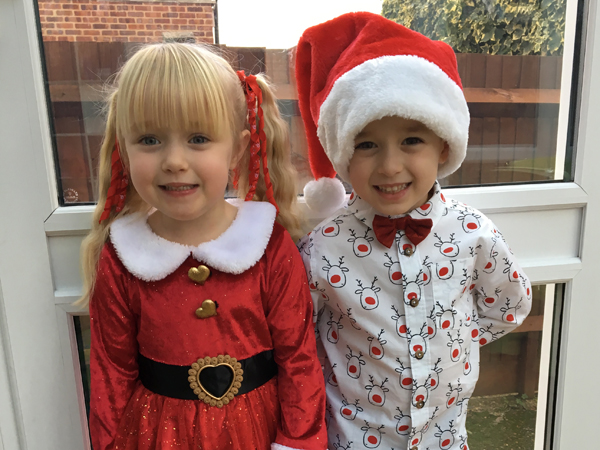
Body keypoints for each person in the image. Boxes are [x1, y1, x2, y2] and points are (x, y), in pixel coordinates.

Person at [295, 12, 532, 450]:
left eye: (411, 141)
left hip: (445, 437)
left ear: (444, 145)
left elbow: (508, 305)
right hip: (353, 440)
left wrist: (451, 340)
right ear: (343, 154)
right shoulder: (323, 248)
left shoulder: (473, 233)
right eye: (366, 144)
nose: (389, 166)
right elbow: (298, 338)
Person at [79, 42, 327, 450]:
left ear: (239, 147)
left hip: (259, 434)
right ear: (124, 147)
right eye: (149, 139)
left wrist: (298, 442)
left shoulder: (268, 245)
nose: (174, 160)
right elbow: (111, 376)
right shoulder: (121, 256)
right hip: (157, 437)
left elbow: (299, 362)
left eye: (198, 138)